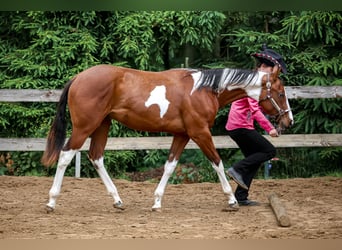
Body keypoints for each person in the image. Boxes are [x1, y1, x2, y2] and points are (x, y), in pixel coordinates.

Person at [226, 44, 287, 206]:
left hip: (239, 126)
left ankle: (241, 196)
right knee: (269, 150)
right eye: (270, 68)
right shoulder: (253, 83)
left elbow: (261, 105)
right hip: (241, 127)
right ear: (263, 68)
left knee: (254, 159)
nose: (272, 72)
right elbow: (255, 111)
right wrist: (270, 128)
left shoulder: (255, 82)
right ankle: (237, 168)